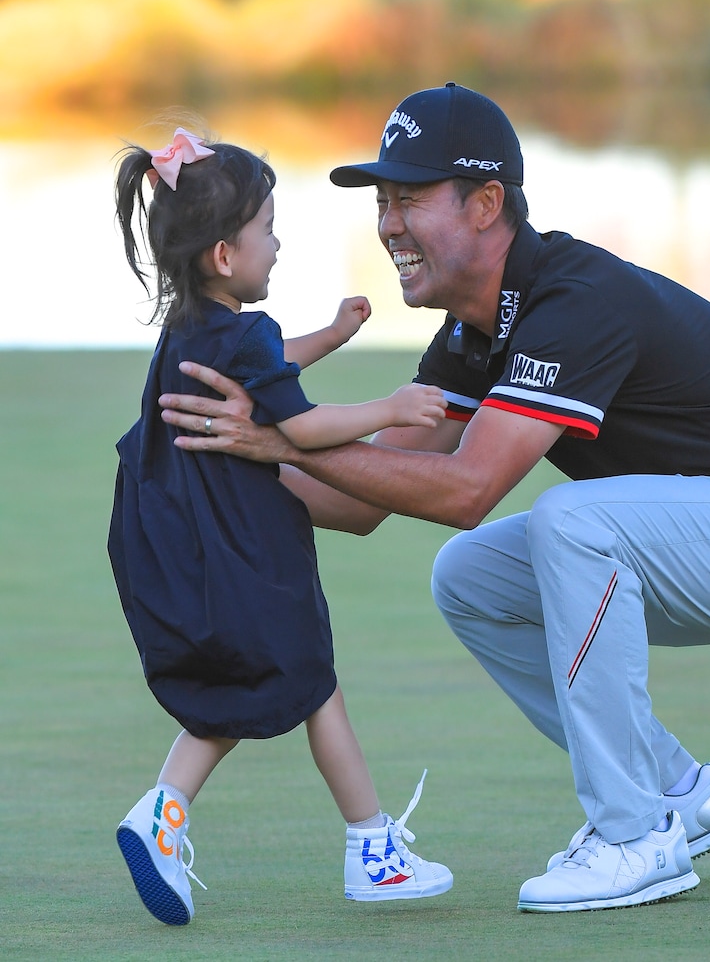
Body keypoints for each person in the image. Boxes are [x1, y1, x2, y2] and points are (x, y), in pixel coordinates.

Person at [155, 87, 710, 914]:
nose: (389, 225)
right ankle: (672, 791)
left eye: (409, 199)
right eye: (383, 204)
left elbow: (468, 488)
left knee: (570, 522)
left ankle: (634, 836)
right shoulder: (476, 330)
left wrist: (278, 439)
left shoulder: (573, 299)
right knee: (470, 576)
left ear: (486, 204)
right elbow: (364, 495)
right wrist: (218, 460)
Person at [108, 128, 453, 926]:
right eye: (268, 229)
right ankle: (372, 848)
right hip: (249, 550)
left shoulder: (195, 327)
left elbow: (264, 371)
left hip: (186, 545)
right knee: (313, 681)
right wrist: (392, 409)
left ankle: (160, 813)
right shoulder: (242, 332)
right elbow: (300, 427)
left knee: (249, 686)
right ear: (226, 255)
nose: (279, 242)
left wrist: (329, 336)